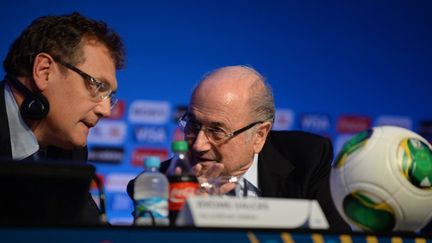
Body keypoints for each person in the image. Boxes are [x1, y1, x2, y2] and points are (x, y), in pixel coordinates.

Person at [128, 65, 351, 231]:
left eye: (217, 131)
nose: (199, 144)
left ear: (259, 135)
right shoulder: (159, 184)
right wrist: (190, 217)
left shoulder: (307, 160)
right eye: (193, 125)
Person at [0, 12, 125, 223]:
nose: (106, 110)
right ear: (44, 71)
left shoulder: (71, 151)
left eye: (109, 96)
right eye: (97, 86)